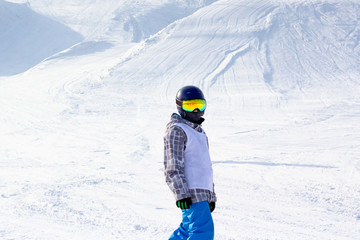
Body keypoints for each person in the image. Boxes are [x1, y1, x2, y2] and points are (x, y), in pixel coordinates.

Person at [164, 85, 216, 240]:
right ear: (181, 107)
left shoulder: (199, 132)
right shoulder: (177, 130)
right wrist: (181, 194)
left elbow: (204, 167)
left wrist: (211, 196)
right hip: (190, 191)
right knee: (202, 231)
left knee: (186, 231)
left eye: (199, 105)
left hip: (202, 191)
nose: (196, 111)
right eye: (190, 105)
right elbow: (172, 166)